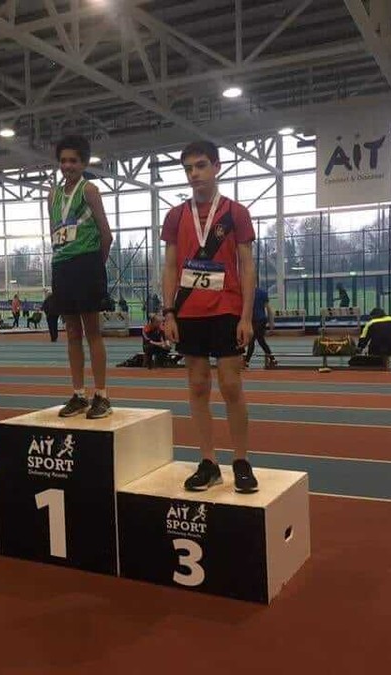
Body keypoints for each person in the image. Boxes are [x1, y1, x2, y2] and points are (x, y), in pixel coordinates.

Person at [161, 140, 259, 493]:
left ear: (216, 167)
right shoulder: (175, 216)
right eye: (188, 168)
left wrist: (247, 316)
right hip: (189, 312)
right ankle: (208, 461)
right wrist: (168, 311)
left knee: (231, 386)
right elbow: (171, 266)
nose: (194, 174)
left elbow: (247, 267)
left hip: (227, 309)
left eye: (201, 166)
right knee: (198, 385)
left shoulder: (235, 213)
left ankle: (242, 460)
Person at [48, 135, 114, 419]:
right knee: (72, 334)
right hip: (61, 265)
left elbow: (106, 234)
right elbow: (54, 230)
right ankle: (78, 394)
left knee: (92, 332)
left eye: (73, 160)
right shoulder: (52, 195)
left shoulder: (90, 190)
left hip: (87, 265)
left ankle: (102, 395)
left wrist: (95, 267)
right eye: (63, 161)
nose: (67, 165)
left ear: (84, 163)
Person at [244, 285, 277, 368]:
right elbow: (269, 310)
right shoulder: (263, 293)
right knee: (260, 340)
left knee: (252, 340)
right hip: (261, 320)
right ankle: (272, 359)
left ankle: (247, 361)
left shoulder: (246, 293)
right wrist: (271, 324)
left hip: (255, 320)